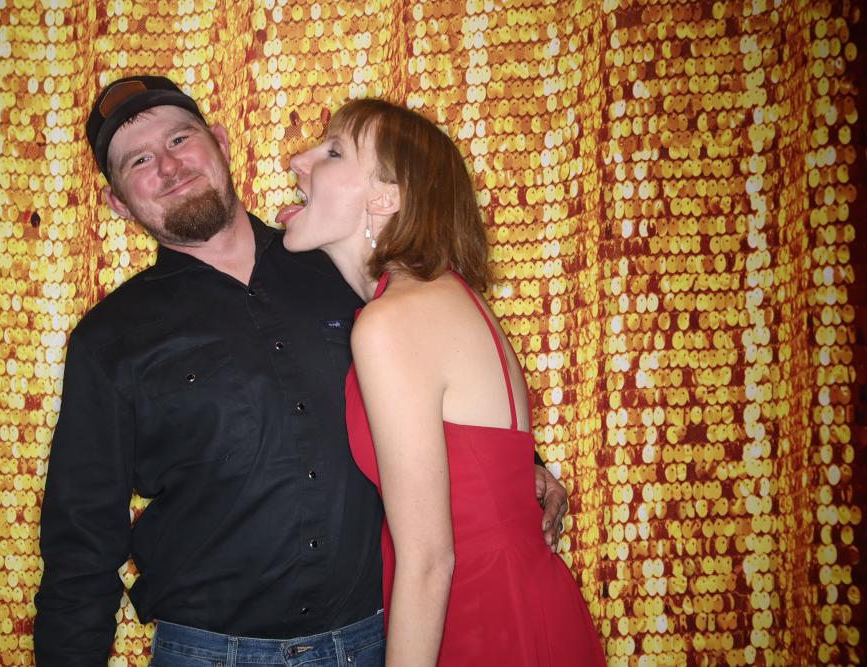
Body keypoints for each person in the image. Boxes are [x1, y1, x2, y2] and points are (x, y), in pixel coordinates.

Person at [33, 75, 570, 666]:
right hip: (211, 652)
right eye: (138, 160)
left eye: (180, 139)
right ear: (117, 202)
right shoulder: (108, 339)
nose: (168, 165)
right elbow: (81, 540)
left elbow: (436, 370)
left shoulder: (344, 268)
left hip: (379, 641)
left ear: (220, 143)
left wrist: (519, 466)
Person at [280, 99, 605, 666]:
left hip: (478, 620)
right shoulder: (445, 297)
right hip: (522, 603)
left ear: (386, 197)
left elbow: (430, 560)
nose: (296, 161)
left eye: (332, 152)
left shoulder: (392, 321)